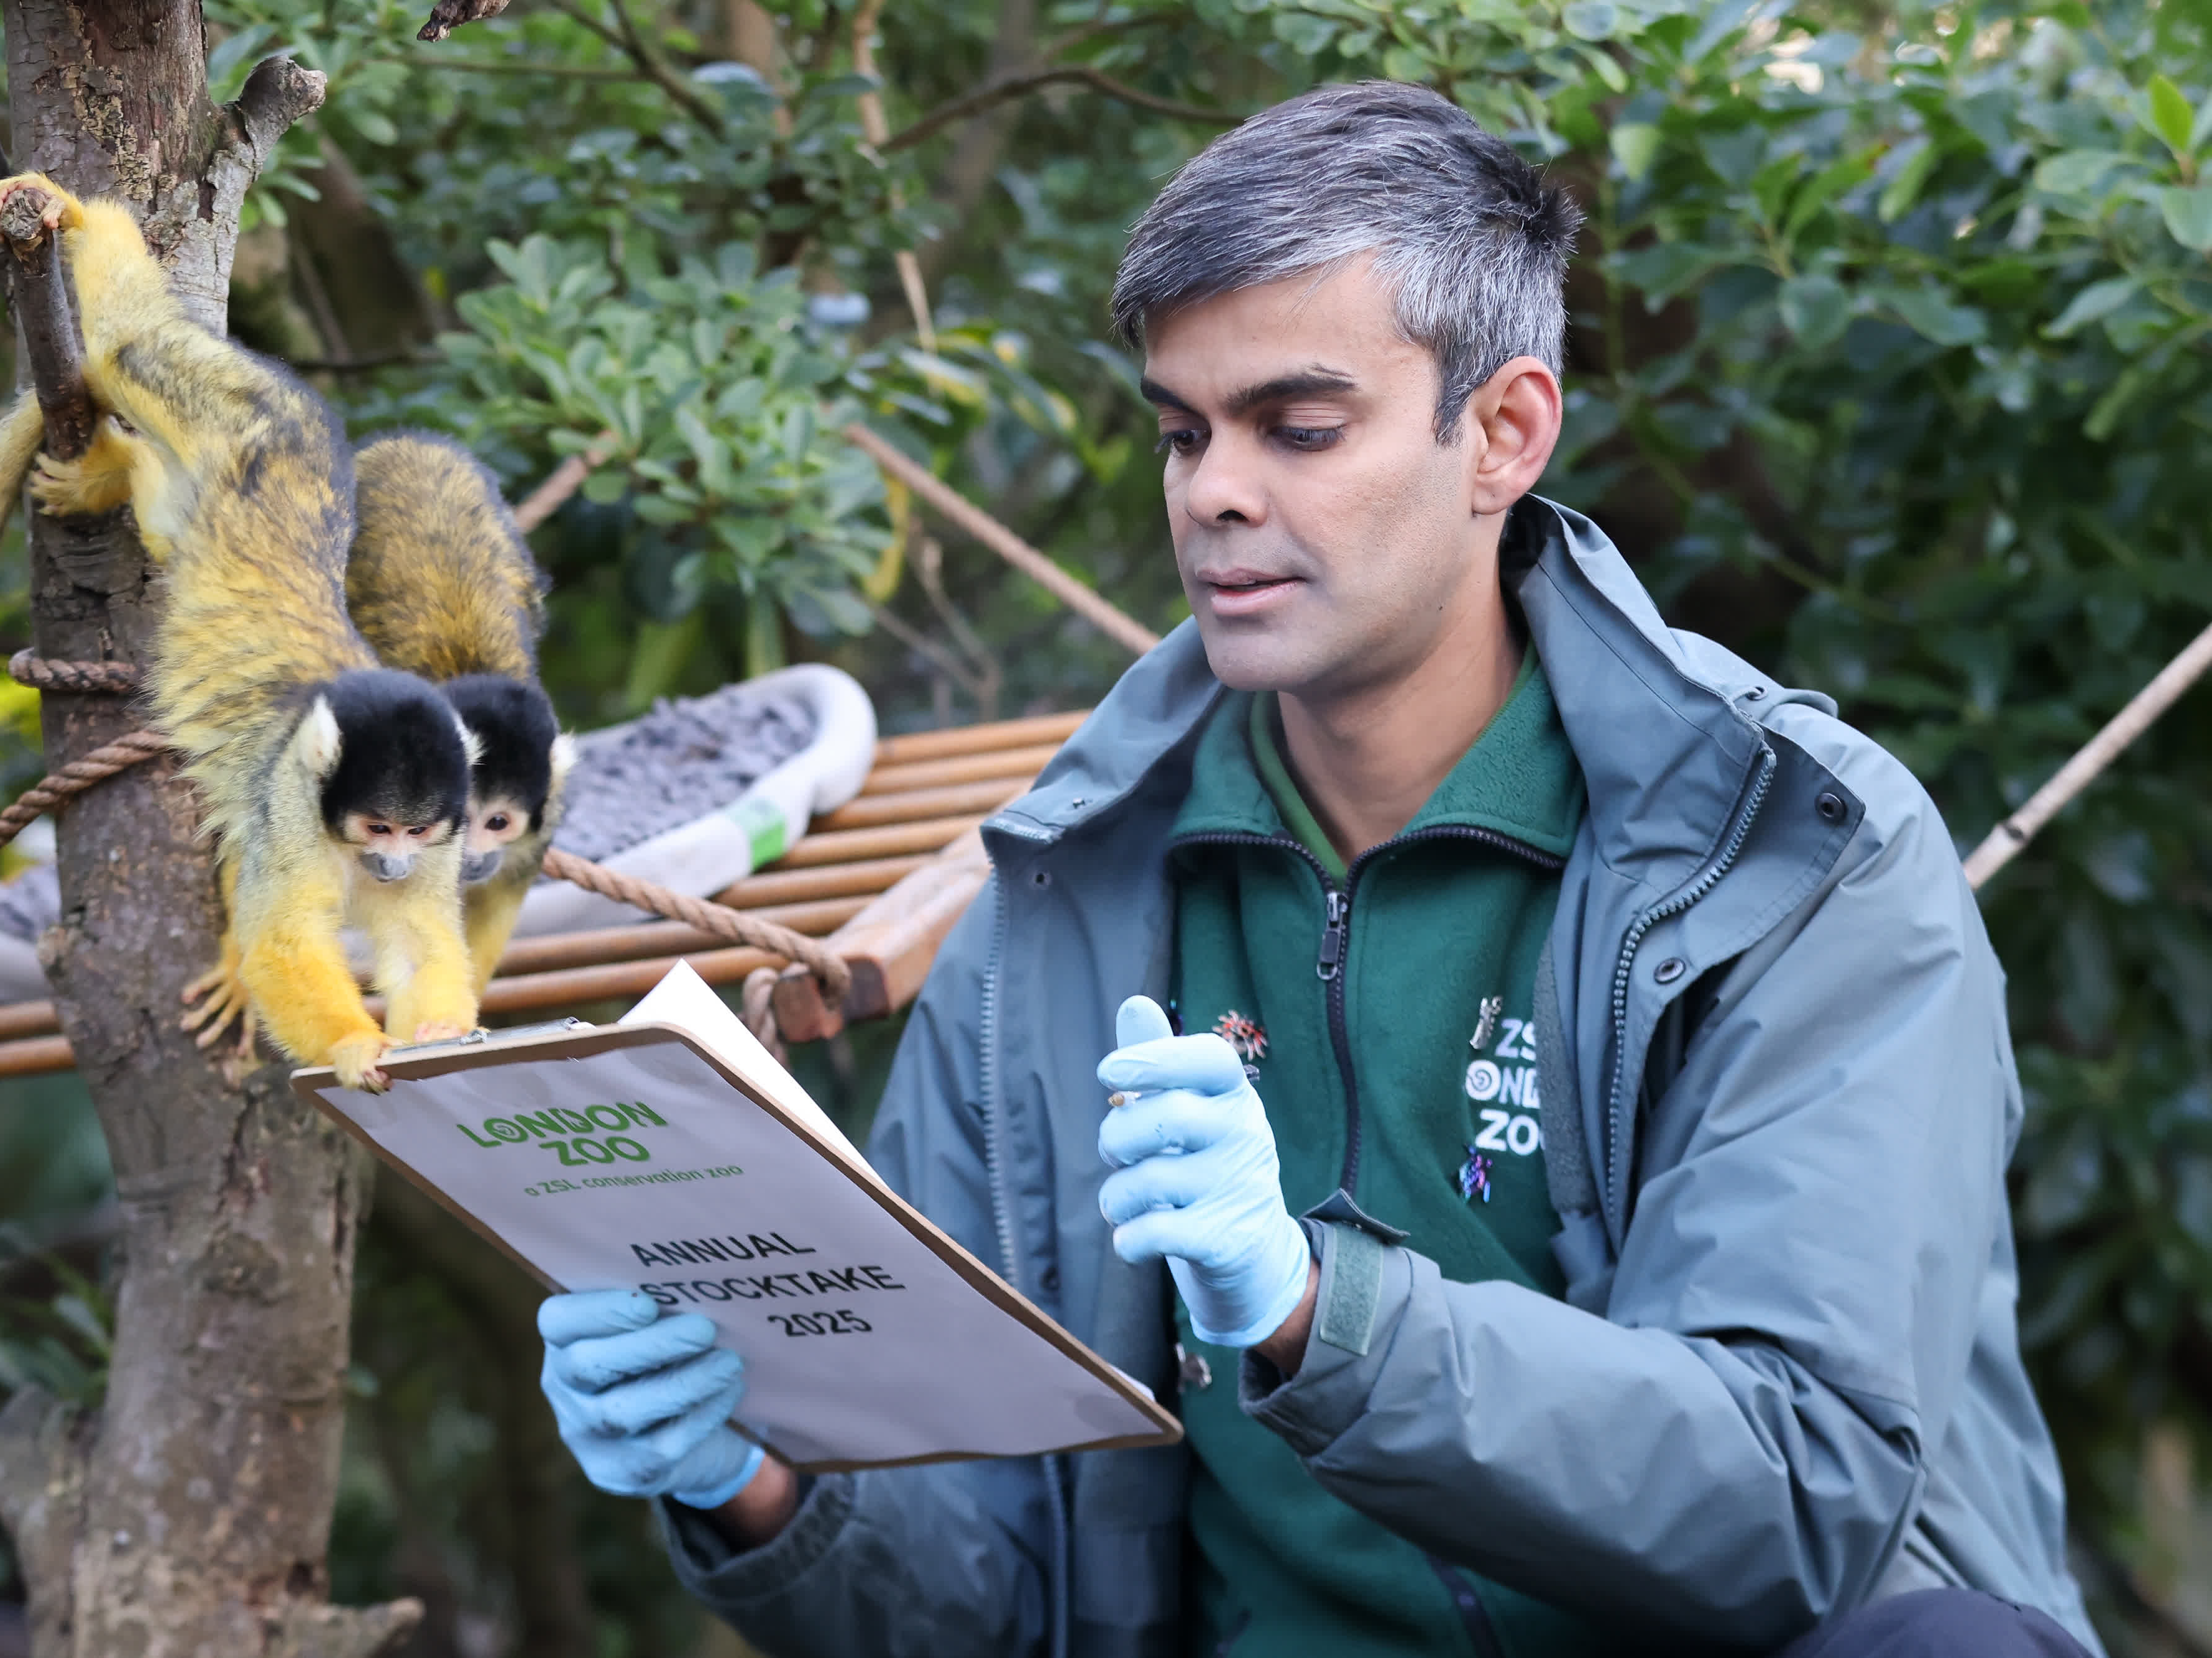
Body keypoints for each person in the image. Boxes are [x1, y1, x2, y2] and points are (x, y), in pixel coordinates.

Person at [531, 81, 2102, 1657]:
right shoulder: (1049, 905)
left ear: (1501, 431)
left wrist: (1306, 1308)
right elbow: (1000, 1596)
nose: (1212, 490)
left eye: (1295, 427)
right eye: (1179, 430)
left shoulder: (1792, 850)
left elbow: (1791, 1492)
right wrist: (756, 1483)